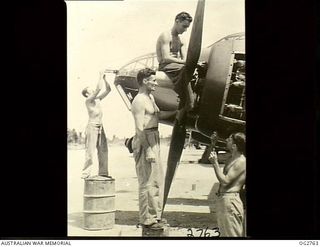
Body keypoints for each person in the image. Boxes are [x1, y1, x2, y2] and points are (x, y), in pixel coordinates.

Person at [131, 68, 168, 230]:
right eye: (153, 80)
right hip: (145, 139)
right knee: (146, 182)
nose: (156, 83)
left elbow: (157, 116)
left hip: (154, 137)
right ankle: (147, 218)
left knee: (155, 180)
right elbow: (139, 129)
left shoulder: (150, 97)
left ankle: (155, 216)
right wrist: (148, 150)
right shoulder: (139, 100)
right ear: (145, 81)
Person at [209, 132, 246, 237]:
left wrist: (215, 164)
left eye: (229, 139)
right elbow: (209, 157)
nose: (226, 140)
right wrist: (212, 144)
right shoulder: (231, 158)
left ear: (234, 146)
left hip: (231, 201)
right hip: (224, 200)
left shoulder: (241, 161)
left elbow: (225, 181)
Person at [156, 12, 194, 113]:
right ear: (177, 21)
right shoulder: (165, 35)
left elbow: (185, 58)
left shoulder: (182, 39)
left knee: (192, 70)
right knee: (184, 69)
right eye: (184, 26)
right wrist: (183, 62)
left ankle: (185, 101)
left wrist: (188, 63)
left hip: (177, 65)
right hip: (165, 66)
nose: (185, 30)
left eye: (187, 28)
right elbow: (166, 57)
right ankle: (189, 102)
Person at [81, 71, 111, 179]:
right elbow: (98, 89)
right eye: (91, 90)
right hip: (92, 126)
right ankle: (86, 173)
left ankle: (103, 172)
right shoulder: (89, 100)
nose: (93, 90)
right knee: (90, 150)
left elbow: (108, 90)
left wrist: (105, 79)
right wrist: (100, 76)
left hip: (100, 126)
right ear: (87, 94)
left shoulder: (97, 99)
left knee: (103, 149)